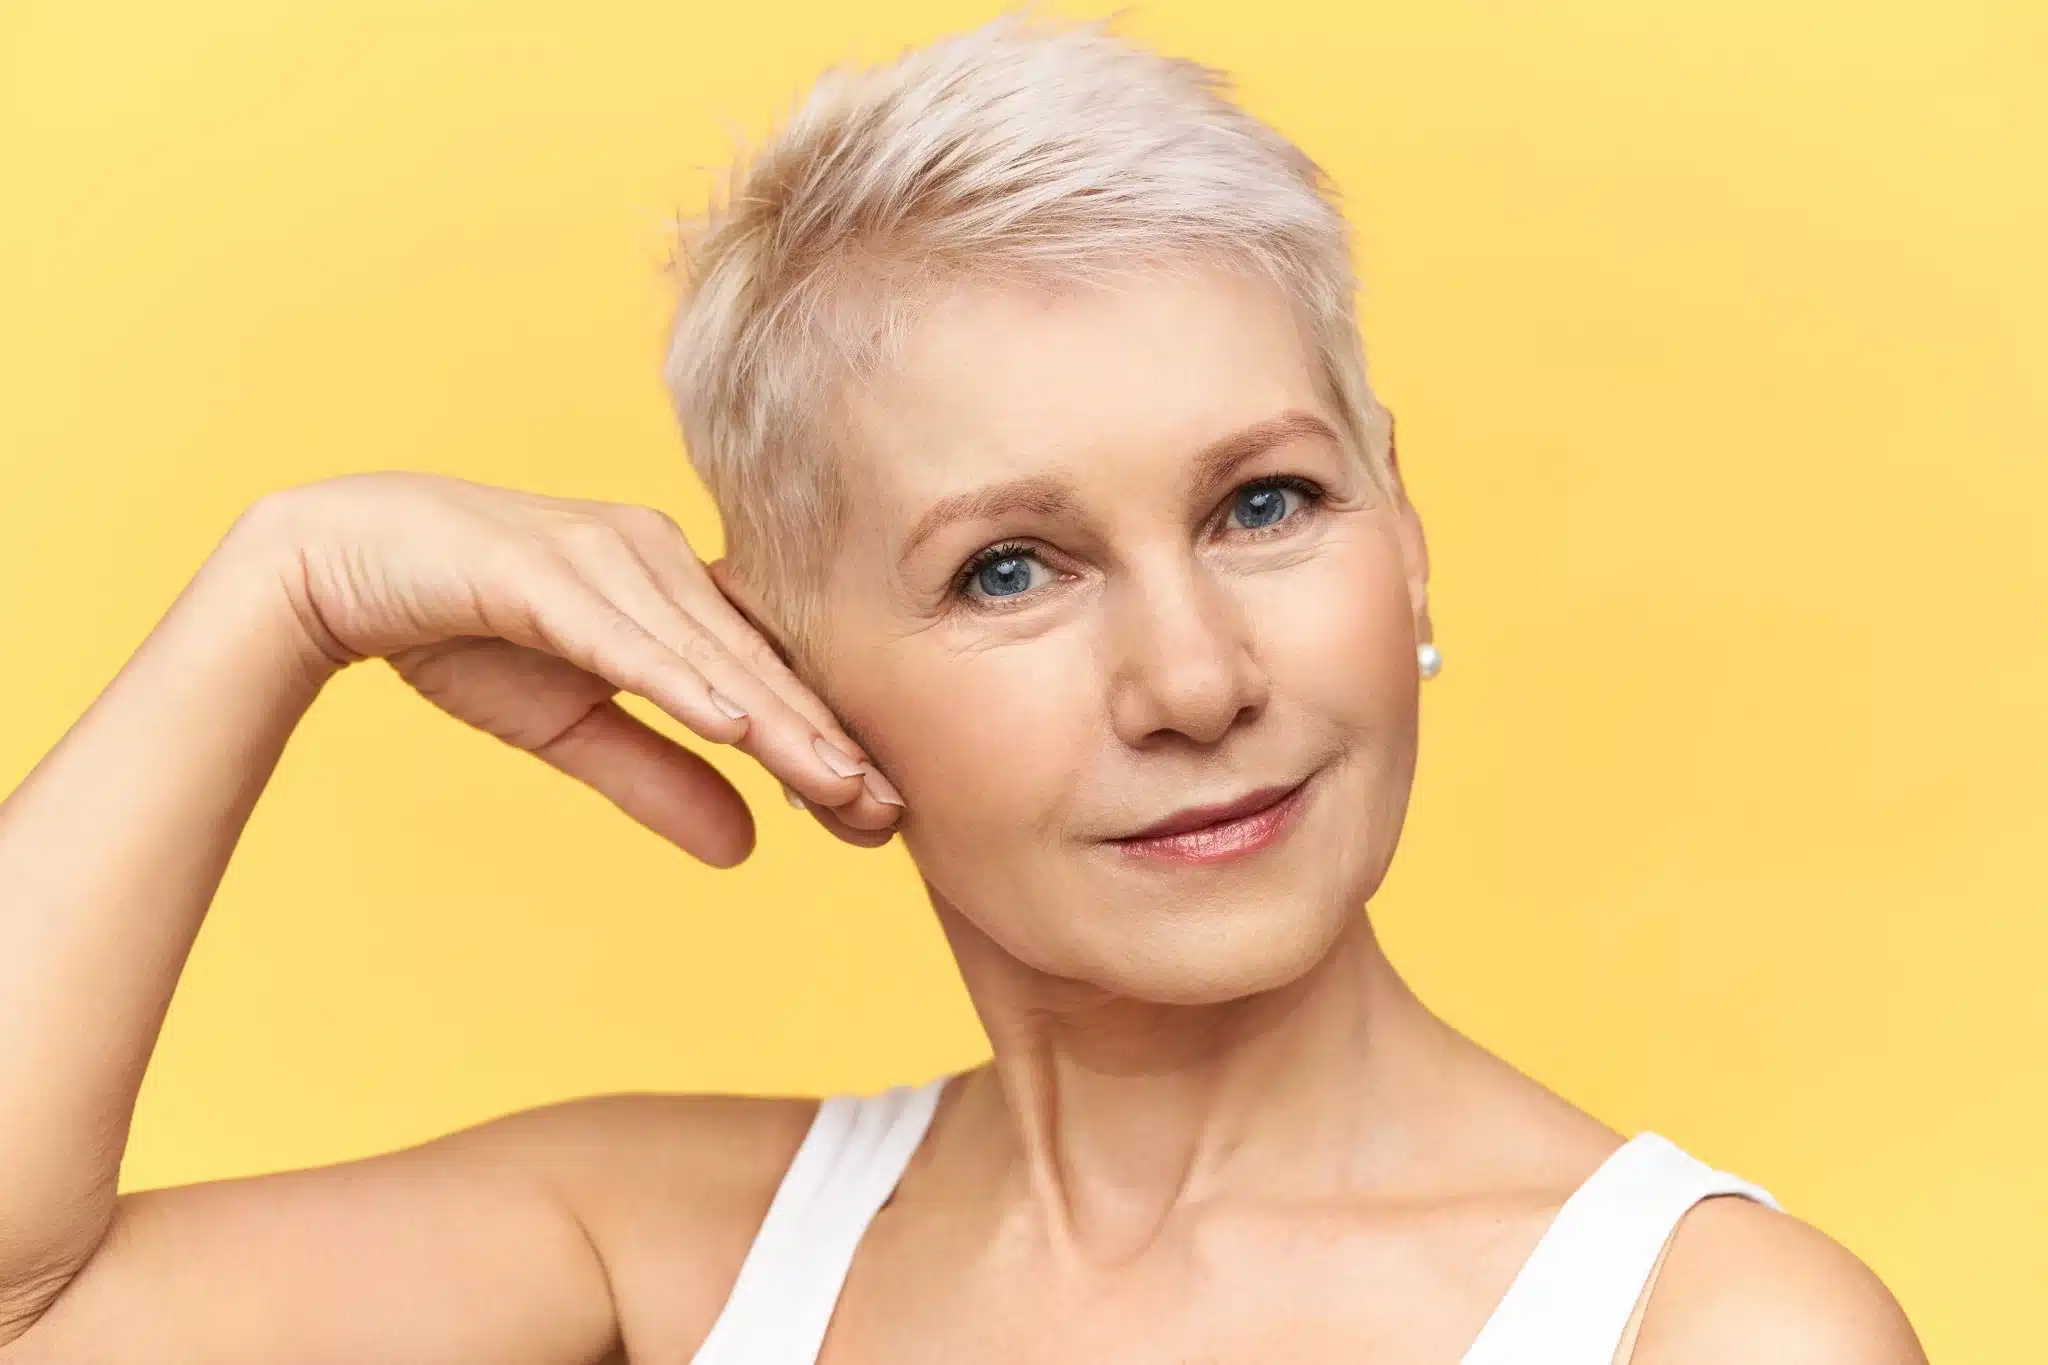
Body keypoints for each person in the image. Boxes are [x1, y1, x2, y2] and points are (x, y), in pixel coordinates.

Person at [0, 15, 1924, 1364]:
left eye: (1266, 503)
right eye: (1010, 567)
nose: (1191, 678)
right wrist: (286, 586)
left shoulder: (1709, 1328)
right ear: (772, 663)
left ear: (1405, 536)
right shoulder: (666, 1243)